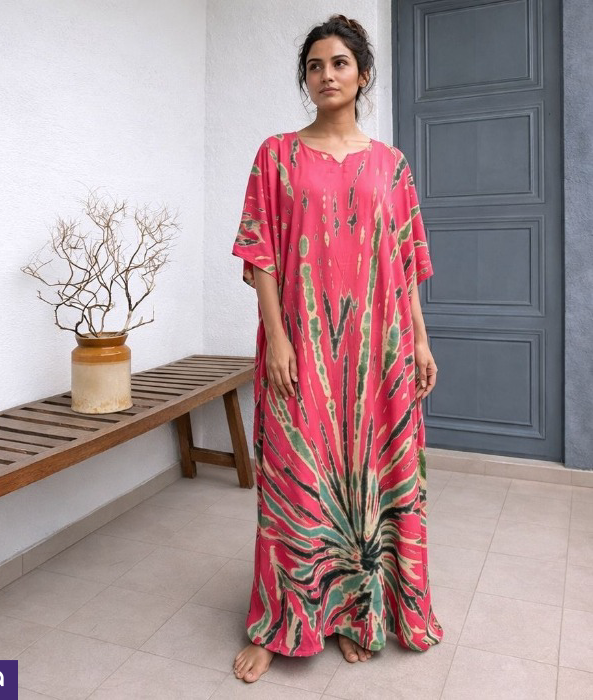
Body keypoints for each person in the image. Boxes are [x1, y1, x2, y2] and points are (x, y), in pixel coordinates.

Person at [230, 14, 444, 684]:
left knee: (367, 475)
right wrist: (278, 338)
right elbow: (261, 253)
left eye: (340, 63)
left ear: (363, 75)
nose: (327, 75)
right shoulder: (276, 155)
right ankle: (282, 622)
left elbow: (405, 261)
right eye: (315, 65)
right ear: (306, 78)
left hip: (378, 352)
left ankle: (355, 612)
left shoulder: (392, 165)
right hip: (301, 346)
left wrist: (419, 339)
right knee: (295, 476)